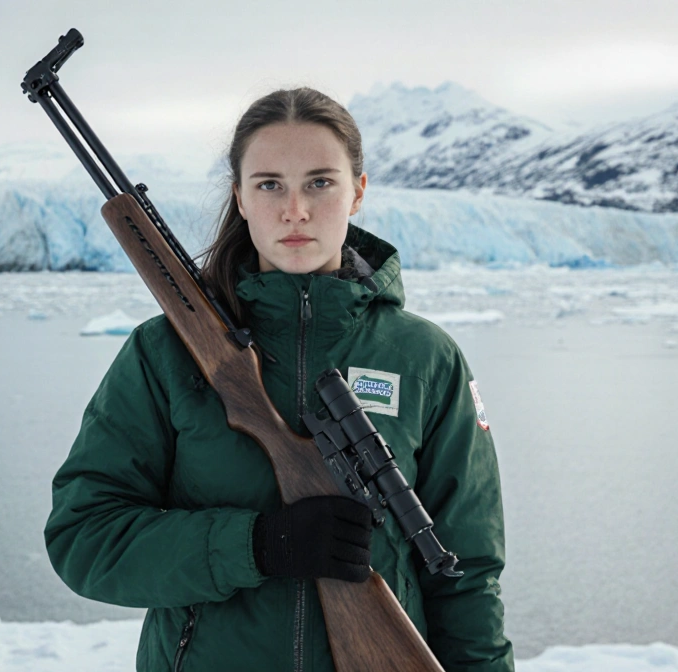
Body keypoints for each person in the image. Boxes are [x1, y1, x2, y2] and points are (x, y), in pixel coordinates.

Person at [45, 87, 513, 672]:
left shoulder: (425, 358)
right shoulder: (164, 352)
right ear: (239, 198)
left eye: (320, 182)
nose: (295, 210)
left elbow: (467, 575)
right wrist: (259, 545)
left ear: (357, 192)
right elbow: (85, 539)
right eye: (269, 185)